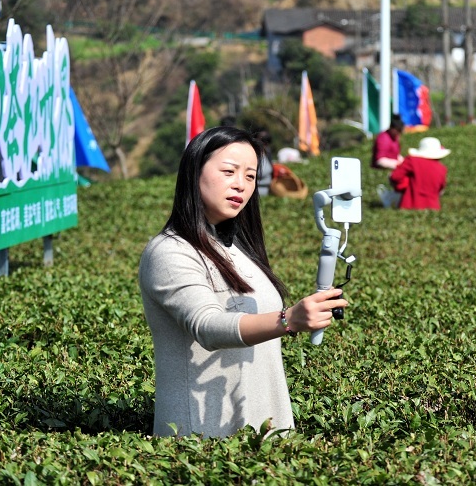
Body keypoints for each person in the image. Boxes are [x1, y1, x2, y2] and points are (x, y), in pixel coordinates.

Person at [138, 126, 347, 438]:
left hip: (263, 433)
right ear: (194, 172)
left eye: (250, 176)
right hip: (204, 441)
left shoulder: (236, 247)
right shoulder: (169, 252)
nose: (241, 185)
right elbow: (207, 326)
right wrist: (288, 319)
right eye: (229, 171)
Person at [389, 137, 450, 210]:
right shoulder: (442, 169)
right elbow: (440, 190)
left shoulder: (412, 161)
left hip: (411, 205)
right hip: (433, 208)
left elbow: (395, 176)